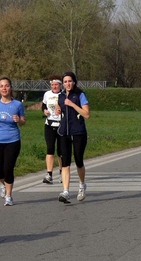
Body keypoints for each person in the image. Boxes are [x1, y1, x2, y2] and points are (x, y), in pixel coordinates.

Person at [0, 77, 26, 206]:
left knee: (8, 169)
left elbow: (23, 122)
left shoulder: (17, 104)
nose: (4, 88)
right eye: (2, 86)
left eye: (7, 86)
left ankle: (8, 196)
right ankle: (5, 185)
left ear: (10, 88)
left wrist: (18, 120)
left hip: (13, 140)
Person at [56, 71, 90, 203]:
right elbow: (59, 108)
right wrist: (58, 110)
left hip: (78, 132)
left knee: (78, 160)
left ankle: (82, 185)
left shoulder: (80, 95)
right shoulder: (61, 96)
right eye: (65, 82)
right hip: (64, 132)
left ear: (74, 82)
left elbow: (87, 114)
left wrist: (72, 104)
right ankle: (66, 191)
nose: (67, 84)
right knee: (65, 162)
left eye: (70, 81)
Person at [42, 76, 63, 184]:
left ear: (60, 85)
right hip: (49, 124)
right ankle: (49, 174)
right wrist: (45, 111)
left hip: (61, 124)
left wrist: (61, 111)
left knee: (61, 150)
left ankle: (62, 173)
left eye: (57, 84)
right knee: (50, 148)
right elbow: (43, 105)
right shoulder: (47, 94)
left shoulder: (63, 95)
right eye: (53, 85)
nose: (54, 86)